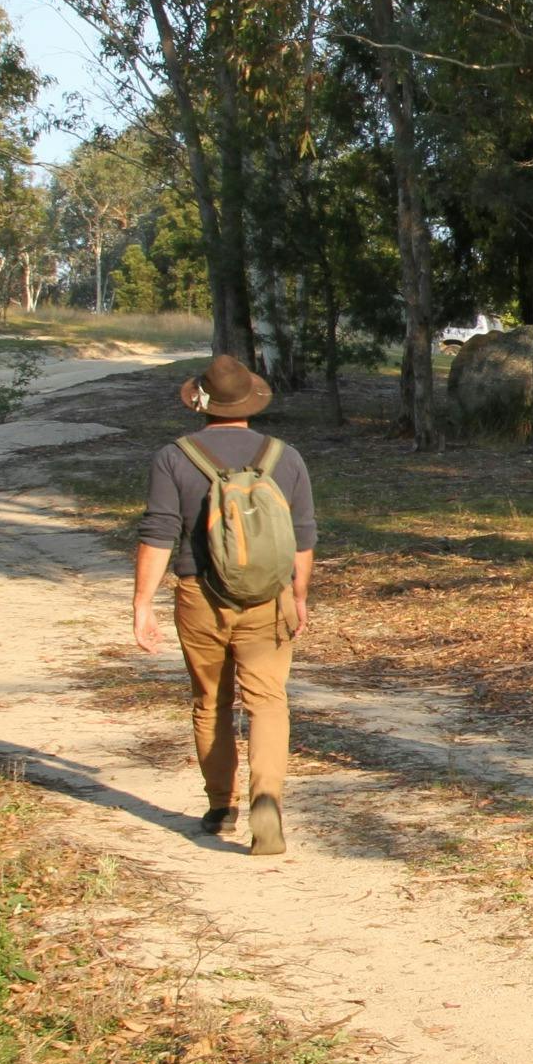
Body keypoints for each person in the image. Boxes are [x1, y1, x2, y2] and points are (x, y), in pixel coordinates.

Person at [132, 354, 317, 856]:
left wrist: (143, 604)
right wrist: (298, 596)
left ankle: (221, 806)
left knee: (210, 702)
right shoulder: (285, 457)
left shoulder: (174, 457)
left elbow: (158, 533)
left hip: (200, 597)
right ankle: (267, 802)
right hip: (269, 597)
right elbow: (303, 538)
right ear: (250, 402)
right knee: (268, 701)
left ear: (202, 403)